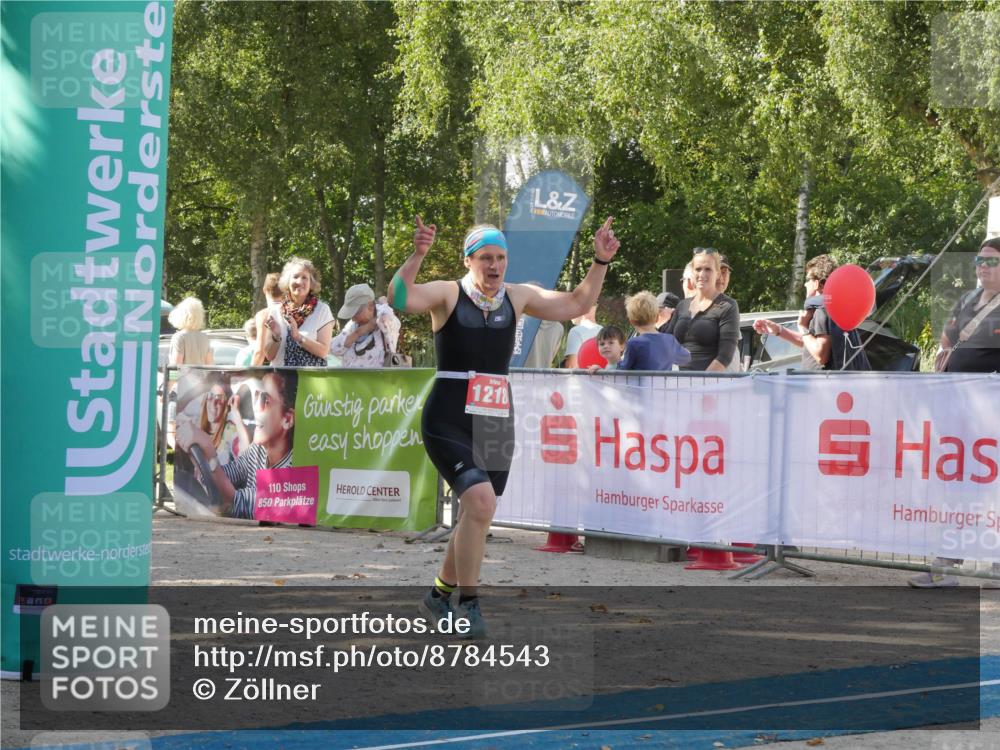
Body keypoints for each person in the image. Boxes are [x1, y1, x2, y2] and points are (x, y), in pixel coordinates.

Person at [388, 215, 620, 637]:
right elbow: (401, 297)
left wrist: (599, 261)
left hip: (496, 418)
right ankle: (469, 605)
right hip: (449, 416)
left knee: (477, 513)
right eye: (486, 259)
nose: (495, 266)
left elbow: (575, 304)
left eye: (501, 258)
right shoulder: (448, 293)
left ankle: (439, 595)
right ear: (468, 260)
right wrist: (417, 255)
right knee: (478, 505)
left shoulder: (517, 297)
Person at [909, 238, 1000, 589]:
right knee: (957, 488)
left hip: (992, 414)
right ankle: (945, 564)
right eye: (980, 260)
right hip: (959, 412)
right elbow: (947, 340)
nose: (982, 266)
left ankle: (995, 564)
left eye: (991, 261)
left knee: (993, 488)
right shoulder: (966, 300)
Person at [175, 370, 296, 520]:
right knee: (183, 480)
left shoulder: (293, 470)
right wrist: (200, 457)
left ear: (287, 419)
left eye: (266, 400)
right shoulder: (258, 450)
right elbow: (224, 476)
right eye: (256, 396)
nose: (256, 407)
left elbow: (234, 503)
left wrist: (209, 452)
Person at [665, 248, 740, 371]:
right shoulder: (682, 305)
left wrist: (702, 383)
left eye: (708, 269)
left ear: (717, 274)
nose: (702, 274)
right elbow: (666, 344)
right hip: (677, 382)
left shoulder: (728, 306)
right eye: (698, 269)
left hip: (708, 385)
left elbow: (724, 357)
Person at [259, 258, 335, 367]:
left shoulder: (322, 310)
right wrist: (276, 336)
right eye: (295, 277)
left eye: (305, 278)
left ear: (311, 283)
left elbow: (323, 352)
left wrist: (299, 337)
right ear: (287, 281)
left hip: (311, 381)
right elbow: (269, 356)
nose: (299, 282)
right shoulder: (275, 311)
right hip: (280, 379)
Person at [330, 283, 402, 368]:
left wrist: (384, 303)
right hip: (351, 380)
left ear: (370, 306)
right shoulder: (353, 325)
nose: (353, 319)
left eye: (356, 313)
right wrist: (359, 332)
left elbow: (386, 320)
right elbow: (334, 349)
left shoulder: (386, 320)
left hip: (378, 380)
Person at [618, 292, 691, 371]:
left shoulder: (633, 343)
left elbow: (624, 369)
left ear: (632, 321)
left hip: (641, 383)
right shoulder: (670, 340)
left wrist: (616, 361)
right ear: (656, 318)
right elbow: (686, 359)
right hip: (664, 383)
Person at [168, 297, 213, 366]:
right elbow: (210, 365)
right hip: (202, 376)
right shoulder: (205, 338)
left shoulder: (179, 337)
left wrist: (170, 377)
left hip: (184, 376)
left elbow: (175, 367)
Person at [252, 273, 283, 366]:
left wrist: (250, 375)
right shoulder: (293, 311)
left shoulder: (264, 315)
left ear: (264, 290)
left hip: (280, 371)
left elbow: (259, 352)